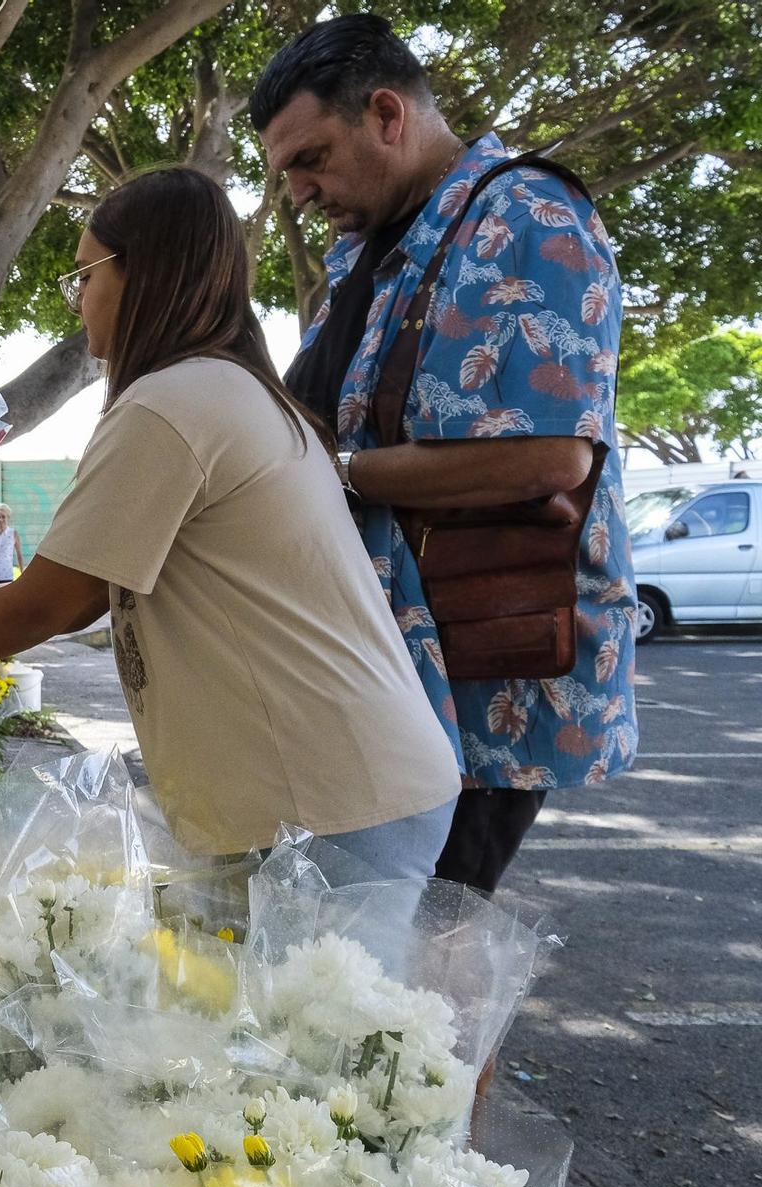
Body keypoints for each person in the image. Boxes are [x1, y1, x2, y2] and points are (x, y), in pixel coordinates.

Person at [0, 167, 460, 876]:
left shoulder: (173, 404)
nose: (78, 301)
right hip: (333, 790)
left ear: (144, 274)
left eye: (85, 276)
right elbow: (77, 592)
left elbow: (52, 603)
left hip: (330, 801)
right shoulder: (218, 388)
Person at [252, 14, 637, 893]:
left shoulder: (527, 216)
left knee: (426, 961)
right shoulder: (369, 254)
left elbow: (544, 459)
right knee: (372, 951)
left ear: (387, 113)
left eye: (311, 158)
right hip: (390, 671)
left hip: (476, 682)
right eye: (286, 173)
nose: (299, 193)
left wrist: (334, 477)